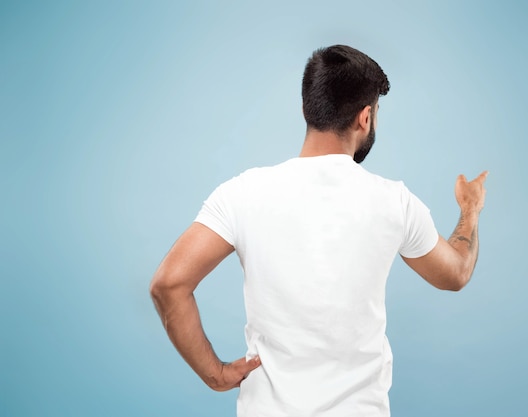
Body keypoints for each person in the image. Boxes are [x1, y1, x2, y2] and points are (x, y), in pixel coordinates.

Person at [150, 44, 488, 417]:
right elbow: (455, 273)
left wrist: (216, 375)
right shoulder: (395, 202)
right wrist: (469, 209)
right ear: (365, 118)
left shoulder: (241, 193)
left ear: (305, 110)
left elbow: (169, 285)